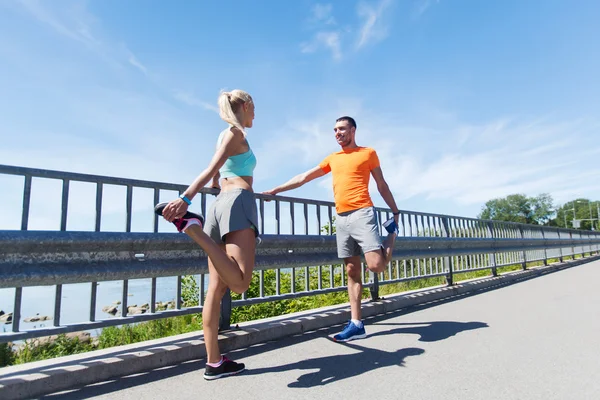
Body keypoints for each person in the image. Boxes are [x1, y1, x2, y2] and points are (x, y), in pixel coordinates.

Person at [263, 116, 400, 342]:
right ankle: (356, 324)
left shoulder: (368, 153)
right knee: (352, 271)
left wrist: (394, 211)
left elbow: (381, 184)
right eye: (335, 130)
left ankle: (391, 233)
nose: (337, 133)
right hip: (341, 217)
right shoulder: (333, 158)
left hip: (363, 212)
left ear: (353, 130)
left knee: (375, 266)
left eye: (342, 129)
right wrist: (276, 190)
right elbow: (304, 177)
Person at [155, 89, 259, 380]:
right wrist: (185, 199)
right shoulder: (235, 135)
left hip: (218, 206)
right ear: (246, 105)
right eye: (254, 108)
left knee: (217, 288)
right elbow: (211, 167)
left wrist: (211, 186)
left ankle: (214, 362)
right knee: (239, 283)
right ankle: (192, 228)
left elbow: (217, 172)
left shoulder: (224, 136)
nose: (255, 115)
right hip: (238, 202)